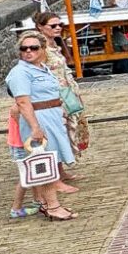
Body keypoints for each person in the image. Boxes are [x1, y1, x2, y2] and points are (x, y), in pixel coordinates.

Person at [5, 31, 79, 215]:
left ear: (42, 49)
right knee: (44, 161)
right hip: (38, 118)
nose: (28, 51)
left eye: (33, 48)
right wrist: (35, 127)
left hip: (50, 116)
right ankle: (53, 206)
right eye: (24, 48)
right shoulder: (20, 72)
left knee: (50, 159)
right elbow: (22, 102)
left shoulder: (41, 68)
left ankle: (46, 203)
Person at [31, 12, 89, 171]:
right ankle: (56, 171)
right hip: (53, 96)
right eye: (53, 26)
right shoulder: (40, 48)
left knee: (67, 129)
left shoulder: (54, 45)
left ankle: (61, 169)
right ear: (40, 27)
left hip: (67, 93)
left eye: (59, 25)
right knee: (57, 130)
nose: (58, 28)